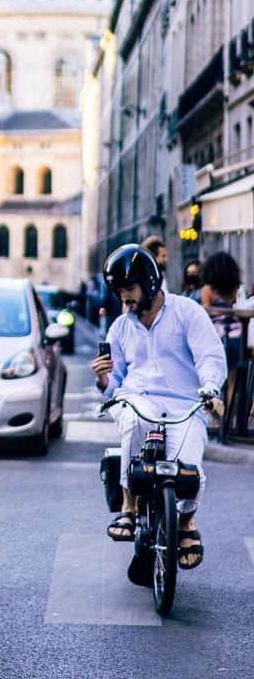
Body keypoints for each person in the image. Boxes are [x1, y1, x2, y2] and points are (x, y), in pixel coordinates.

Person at [91, 244, 225, 571]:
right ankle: (129, 505)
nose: (125, 298)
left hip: (185, 403)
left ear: (149, 283)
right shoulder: (121, 326)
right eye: (120, 291)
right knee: (133, 423)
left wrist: (210, 388)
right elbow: (116, 382)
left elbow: (209, 355)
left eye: (129, 290)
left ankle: (186, 523)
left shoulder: (187, 312)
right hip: (138, 400)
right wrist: (104, 379)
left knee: (191, 471)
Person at [199, 250, 245, 422]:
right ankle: (228, 420)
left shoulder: (208, 289)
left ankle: (217, 422)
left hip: (215, 338)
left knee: (214, 381)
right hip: (236, 335)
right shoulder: (233, 288)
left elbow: (205, 311)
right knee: (233, 380)